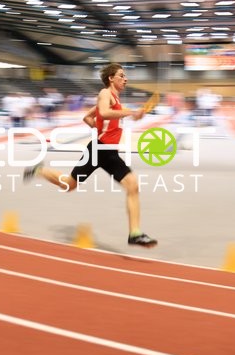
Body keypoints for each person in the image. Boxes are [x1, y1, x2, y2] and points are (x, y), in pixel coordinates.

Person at [23, 63, 157, 248]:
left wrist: (99, 126)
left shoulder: (116, 99)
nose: (125, 79)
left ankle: (135, 233)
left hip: (107, 151)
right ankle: (40, 170)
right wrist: (130, 112)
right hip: (99, 149)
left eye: (125, 76)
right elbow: (103, 112)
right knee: (70, 185)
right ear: (111, 78)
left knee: (130, 185)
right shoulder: (105, 94)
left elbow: (88, 117)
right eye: (121, 75)